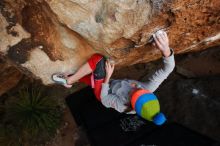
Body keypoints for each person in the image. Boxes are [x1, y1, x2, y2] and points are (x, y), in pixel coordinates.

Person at [52, 30, 175, 125]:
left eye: (134, 96)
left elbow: (105, 100)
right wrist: (165, 50)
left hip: (103, 92)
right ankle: (71, 79)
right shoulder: (149, 87)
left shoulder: (124, 107)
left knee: (98, 61)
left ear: (133, 105)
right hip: (111, 83)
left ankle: (69, 80)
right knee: (91, 77)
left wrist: (107, 77)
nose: (135, 90)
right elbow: (167, 69)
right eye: (139, 91)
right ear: (148, 93)